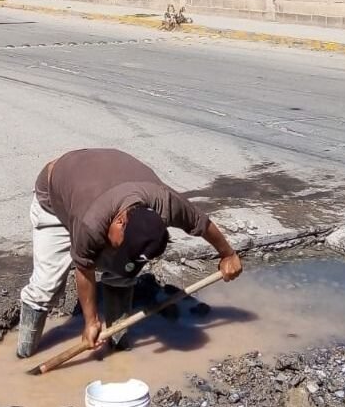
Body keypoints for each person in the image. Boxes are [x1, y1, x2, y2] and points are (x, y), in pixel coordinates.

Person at [16, 148, 243, 359]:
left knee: (122, 274)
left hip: (103, 182)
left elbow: (201, 224)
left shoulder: (166, 203)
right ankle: (24, 356)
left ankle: (117, 343)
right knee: (46, 285)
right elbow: (84, 269)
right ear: (121, 221)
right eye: (122, 248)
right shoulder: (91, 223)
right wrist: (91, 322)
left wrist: (228, 254)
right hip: (55, 197)